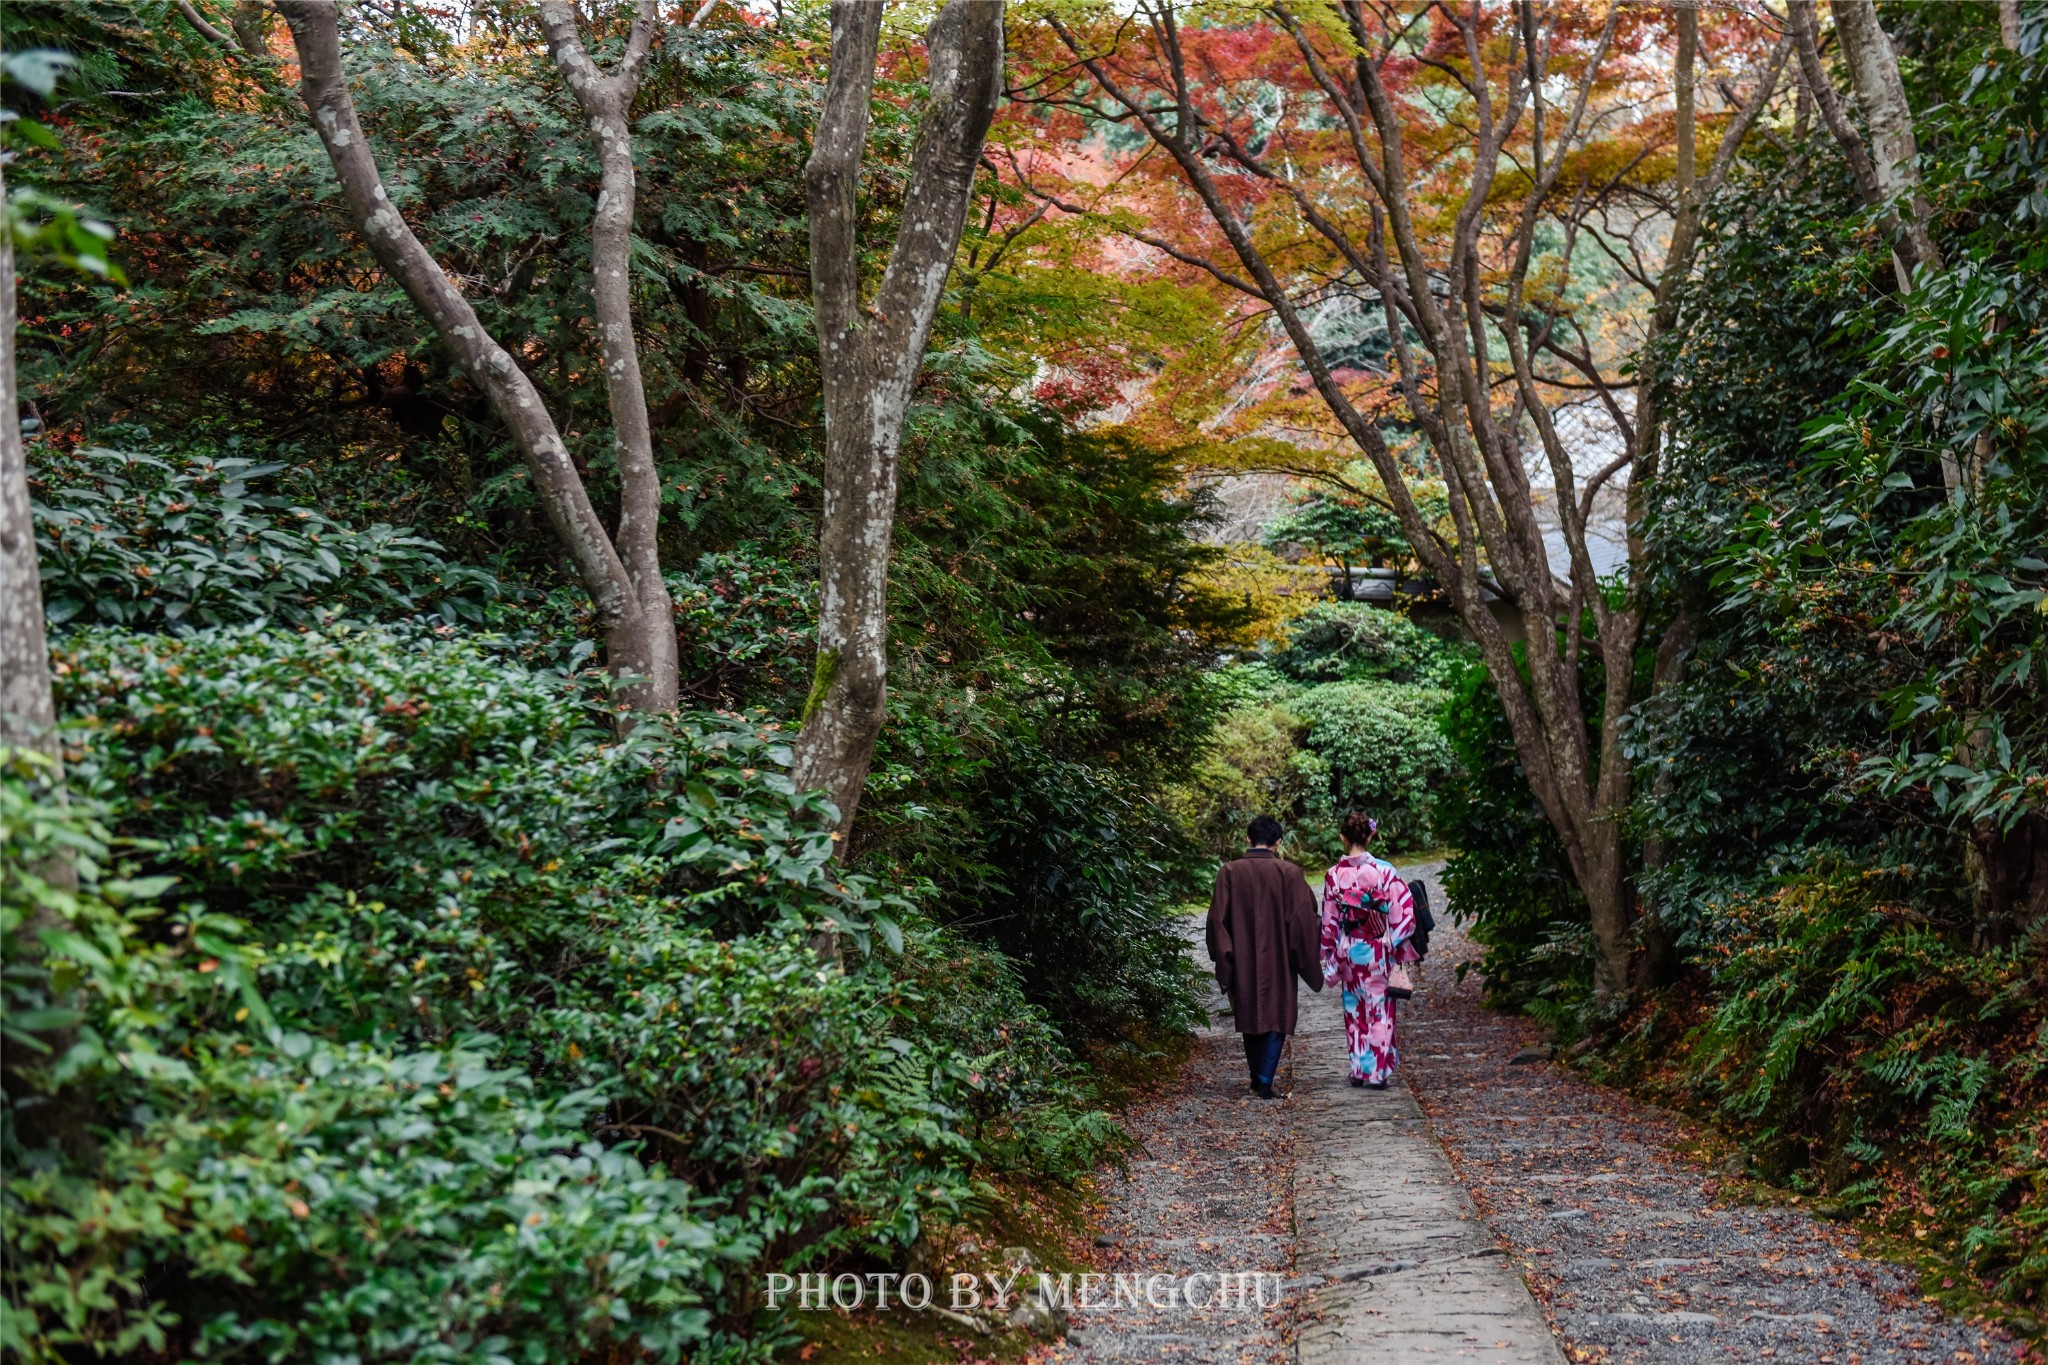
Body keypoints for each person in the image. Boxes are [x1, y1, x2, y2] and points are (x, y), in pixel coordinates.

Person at [1205, 815, 1325, 1100]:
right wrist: (1308, 950)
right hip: (1280, 959)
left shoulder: (1229, 872)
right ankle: (1264, 1080)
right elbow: (1303, 920)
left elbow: (1216, 921)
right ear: (1278, 841)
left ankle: (1257, 1077)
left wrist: (1225, 958)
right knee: (1277, 1014)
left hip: (1243, 957)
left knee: (1249, 1014)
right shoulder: (1290, 873)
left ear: (1249, 839)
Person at [1319, 810, 1417, 1090]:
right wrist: (1393, 942)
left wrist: (1327, 952)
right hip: (1378, 950)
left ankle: (1360, 1070)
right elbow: (1405, 914)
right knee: (1380, 1011)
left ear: (1342, 838)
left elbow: (1329, 921)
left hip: (1349, 952)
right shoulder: (1384, 871)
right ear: (1370, 835)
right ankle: (1377, 1073)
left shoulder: (1333, 875)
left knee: (1354, 1010)